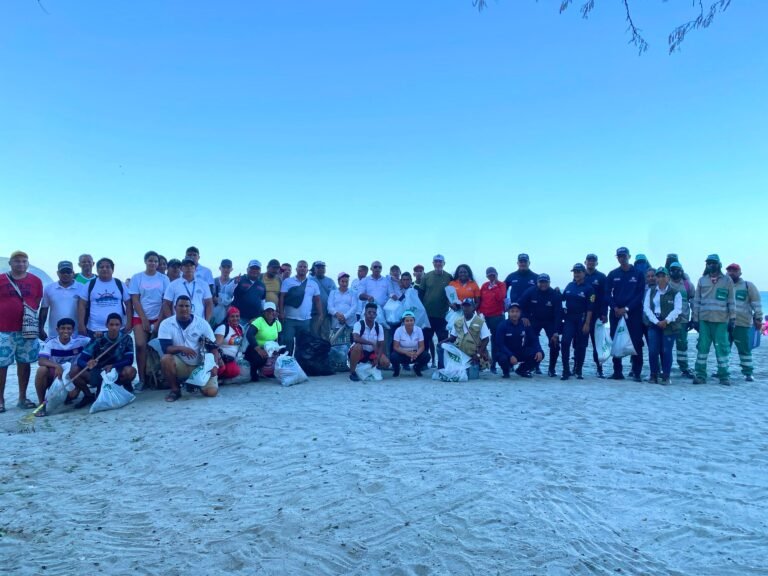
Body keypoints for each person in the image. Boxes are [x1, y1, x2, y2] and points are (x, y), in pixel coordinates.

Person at [0, 251, 44, 412]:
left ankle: (22, 397)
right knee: (1, 365)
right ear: (10, 263)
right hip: (3, 329)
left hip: (27, 330)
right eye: (17, 261)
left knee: (24, 364)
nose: (21, 264)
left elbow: (38, 301)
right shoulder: (1, 279)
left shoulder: (36, 281)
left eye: (24, 261)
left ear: (28, 263)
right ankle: (0, 400)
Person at [158, 295, 221, 402]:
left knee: (211, 393)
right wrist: (182, 348)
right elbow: (166, 349)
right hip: (181, 364)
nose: (184, 309)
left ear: (191, 307)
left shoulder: (202, 323)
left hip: (201, 365)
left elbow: (214, 347)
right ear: (175, 307)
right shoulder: (166, 324)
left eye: (187, 306)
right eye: (181, 306)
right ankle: (175, 390)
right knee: (166, 359)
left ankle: (195, 383)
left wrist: (214, 365)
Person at [73, 313, 136, 408]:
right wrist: (88, 363)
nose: (114, 328)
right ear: (106, 325)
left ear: (121, 326)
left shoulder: (126, 338)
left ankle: (124, 384)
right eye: (111, 325)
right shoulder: (98, 339)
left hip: (116, 370)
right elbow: (81, 359)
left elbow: (129, 360)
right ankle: (88, 395)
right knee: (74, 371)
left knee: (130, 371)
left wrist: (113, 366)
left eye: (117, 325)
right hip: (98, 371)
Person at [128, 251, 170, 390]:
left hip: (159, 316)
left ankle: (161, 378)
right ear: (145, 261)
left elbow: (165, 301)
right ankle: (142, 379)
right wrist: (144, 319)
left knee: (161, 349)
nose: (153, 263)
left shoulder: (164, 279)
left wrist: (158, 322)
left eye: (155, 261)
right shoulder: (137, 277)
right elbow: (135, 299)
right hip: (140, 316)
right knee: (141, 346)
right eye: (150, 260)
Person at [692, 254, 735, 385]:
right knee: (702, 348)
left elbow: (731, 301)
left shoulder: (727, 281)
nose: (711, 265)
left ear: (719, 264)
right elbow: (697, 301)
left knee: (722, 348)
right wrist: (695, 319)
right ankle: (700, 375)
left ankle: (724, 376)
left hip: (721, 321)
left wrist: (732, 319)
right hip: (704, 320)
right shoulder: (702, 280)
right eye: (709, 263)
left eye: (713, 263)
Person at [33, 318, 90, 415]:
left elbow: (97, 342)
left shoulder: (80, 341)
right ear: (57, 330)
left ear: (73, 330)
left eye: (69, 328)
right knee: (41, 370)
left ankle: (85, 394)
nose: (65, 331)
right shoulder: (50, 342)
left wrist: (99, 335)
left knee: (70, 398)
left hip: (72, 376)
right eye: (62, 328)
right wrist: (56, 366)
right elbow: (41, 361)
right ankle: (41, 404)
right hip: (56, 375)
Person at [606, 247, 646, 381]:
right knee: (615, 340)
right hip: (616, 313)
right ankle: (617, 372)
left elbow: (640, 294)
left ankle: (636, 372)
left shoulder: (639, 274)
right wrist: (615, 307)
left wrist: (627, 308)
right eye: (619, 256)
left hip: (633, 313)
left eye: (624, 255)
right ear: (617, 258)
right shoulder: (612, 274)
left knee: (636, 342)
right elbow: (607, 293)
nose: (622, 258)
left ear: (629, 256)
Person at [643, 267, 683, 385]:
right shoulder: (651, 291)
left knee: (666, 350)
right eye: (658, 276)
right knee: (653, 350)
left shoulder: (675, 292)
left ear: (668, 277)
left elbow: (677, 309)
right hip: (654, 323)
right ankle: (653, 375)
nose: (660, 278)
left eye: (663, 276)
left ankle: (666, 376)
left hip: (669, 325)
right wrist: (656, 322)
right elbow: (647, 308)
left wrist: (667, 320)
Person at [519, 273, 562, 377]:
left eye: (545, 282)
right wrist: (524, 316)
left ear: (549, 283)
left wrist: (556, 332)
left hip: (550, 321)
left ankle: (551, 369)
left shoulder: (554, 294)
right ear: (537, 283)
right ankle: (530, 366)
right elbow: (519, 305)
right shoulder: (530, 291)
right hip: (534, 320)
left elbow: (558, 314)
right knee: (528, 343)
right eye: (541, 282)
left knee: (555, 344)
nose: (543, 284)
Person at [725, 263, 762, 382]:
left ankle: (748, 372)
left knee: (744, 349)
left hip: (742, 323)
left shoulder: (748, 286)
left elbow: (756, 303)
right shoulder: (724, 285)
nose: (731, 273)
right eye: (729, 271)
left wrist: (758, 318)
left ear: (740, 272)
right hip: (725, 323)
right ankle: (723, 371)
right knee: (724, 349)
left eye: (734, 271)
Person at [77, 257, 132, 338]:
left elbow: (128, 304)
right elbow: (81, 305)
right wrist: (81, 324)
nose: (104, 269)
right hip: (94, 329)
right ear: (97, 270)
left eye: (108, 267)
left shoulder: (119, 284)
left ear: (112, 270)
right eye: (101, 267)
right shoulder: (90, 284)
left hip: (118, 329)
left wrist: (129, 323)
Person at [279, 260, 322, 354]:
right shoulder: (287, 281)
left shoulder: (313, 284)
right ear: (296, 269)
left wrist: (320, 314)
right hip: (289, 319)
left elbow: (317, 300)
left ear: (307, 270)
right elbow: (282, 297)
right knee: (288, 341)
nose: (302, 268)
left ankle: (299, 364)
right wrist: (281, 312)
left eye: (304, 267)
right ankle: (286, 362)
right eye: (300, 266)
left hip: (305, 320)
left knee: (302, 343)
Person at [560, 264, 594, 381]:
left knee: (581, 346)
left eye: (579, 272)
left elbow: (591, 307)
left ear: (584, 273)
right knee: (565, 342)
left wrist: (587, 323)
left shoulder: (589, 289)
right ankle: (566, 370)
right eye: (575, 272)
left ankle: (578, 370)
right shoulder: (570, 285)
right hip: (569, 319)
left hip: (582, 319)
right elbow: (562, 298)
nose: (576, 274)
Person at [442, 298, 490, 378]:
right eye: (464, 306)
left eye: (468, 306)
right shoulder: (457, 321)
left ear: (473, 307)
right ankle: (442, 368)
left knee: (472, 376)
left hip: (474, 354)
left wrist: (478, 354)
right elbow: (453, 337)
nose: (466, 308)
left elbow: (486, 339)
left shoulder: (480, 321)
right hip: (459, 353)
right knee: (441, 347)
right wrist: (442, 342)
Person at [421, 255, 453, 369]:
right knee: (425, 341)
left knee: (443, 341)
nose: (438, 264)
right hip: (427, 316)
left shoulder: (449, 277)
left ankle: (442, 364)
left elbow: (452, 295)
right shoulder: (426, 277)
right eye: (436, 262)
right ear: (433, 263)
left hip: (443, 316)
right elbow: (421, 294)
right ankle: (423, 364)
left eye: (440, 262)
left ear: (444, 263)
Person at [495, 302, 543, 378]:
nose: (515, 314)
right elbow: (500, 344)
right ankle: (506, 372)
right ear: (508, 312)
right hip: (505, 352)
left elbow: (534, 338)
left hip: (519, 351)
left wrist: (539, 350)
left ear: (520, 313)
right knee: (501, 358)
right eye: (512, 311)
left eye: (517, 311)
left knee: (540, 354)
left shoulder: (524, 324)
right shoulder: (502, 325)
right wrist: (510, 355)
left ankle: (522, 370)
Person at [39, 260, 82, 339]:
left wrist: (83, 328)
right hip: (54, 333)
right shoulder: (49, 288)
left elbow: (85, 309)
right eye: (63, 272)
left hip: (76, 334)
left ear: (73, 273)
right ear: (58, 273)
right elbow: (44, 309)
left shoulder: (82, 288)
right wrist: (40, 328)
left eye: (68, 272)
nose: (65, 274)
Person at [348, 302, 391, 380]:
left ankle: (374, 366)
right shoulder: (359, 324)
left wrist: (377, 358)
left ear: (376, 315)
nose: (371, 314)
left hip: (372, 352)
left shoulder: (379, 327)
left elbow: (381, 345)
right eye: (369, 312)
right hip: (359, 351)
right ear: (365, 314)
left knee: (386, 363)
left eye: (374, 313)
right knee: (357, 346)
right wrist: (371, 343)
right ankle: (352, 372)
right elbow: (355, 338)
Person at [162, 258, 213, 322]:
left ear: (195, 268)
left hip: (199, 322)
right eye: (186, 266)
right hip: (179, 323)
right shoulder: (173, 285)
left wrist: (206, 322)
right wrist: (172, 321)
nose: (189, 268)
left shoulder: (203, 284)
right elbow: (166, 304)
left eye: (191, 266)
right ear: (181, 268)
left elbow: (209, 303)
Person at [668, 261, 696, 378]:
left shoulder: (687, 285)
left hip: (682, 321)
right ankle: (665, 368)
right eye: (673, 270)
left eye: (678, 270)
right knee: (666, 346)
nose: (676, 272)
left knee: (682, 346)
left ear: (681, 271)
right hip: (667, 321)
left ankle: (684, 368)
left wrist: (694, 319)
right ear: (670, 271)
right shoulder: (666, 283)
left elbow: (694, 303)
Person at [244, 302, 283, 381]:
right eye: (268, 311)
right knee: (260, 358)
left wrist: (277, 350)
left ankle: (269, 372)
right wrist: (259, 350)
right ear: (264, 312)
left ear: (275, 312)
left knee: (284, 352)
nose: (270, 313)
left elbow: (280, 338)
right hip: (256, 348)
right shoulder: (259, 321)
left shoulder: (277, 323)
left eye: (272, 311)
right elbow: (249, 335)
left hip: (271, 347)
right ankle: (254, 371)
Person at [478, 268, 506, 374]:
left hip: (497, 317)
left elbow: (500, 297)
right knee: (481, 340)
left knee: (495, 341)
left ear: (497, 275)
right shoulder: (484, 285)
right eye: (489, 275)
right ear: (487, 276)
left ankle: (493, 365)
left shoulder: (501, 285)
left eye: (493, 275)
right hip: (485, 317)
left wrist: (494, 286)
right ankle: (482, 362)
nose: (491, 277)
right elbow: (480, 300)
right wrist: (478, 312)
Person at [584, 254, 608, 378]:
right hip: (583, 315)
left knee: (597, 344)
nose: (591, 263)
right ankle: (576, 367)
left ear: (596, 263)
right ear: (585, 262)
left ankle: (599, 368)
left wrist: (605, 313)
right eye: (589, 261)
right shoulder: (581, 275)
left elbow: (605, 296)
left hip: (597, 315)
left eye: (593, 261)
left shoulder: (602, 277)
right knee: (580, 343)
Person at [391, 311, 429, 377]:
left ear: (414, 321)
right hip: (403, 353)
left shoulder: (419, 330)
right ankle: (397, 369)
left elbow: (422, 346)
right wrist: (406, 353)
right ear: (403, 322)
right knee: (393, 356)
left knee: (427, 356)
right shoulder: (398, 330)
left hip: (415, 354)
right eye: (407, 321)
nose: (409, 322)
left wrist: (416, 354)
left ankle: (417, 368)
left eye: (411, 320)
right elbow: (395, 347)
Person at [232, 260, 267, 325]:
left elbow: (262, 301)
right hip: (238, 318)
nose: (255, 270)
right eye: (252, 268)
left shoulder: (262, 284)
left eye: (257, 269)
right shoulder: (239, 279)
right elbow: (228, 293)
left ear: (260, 271)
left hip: (255, 319)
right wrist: (234, 283)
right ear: (247, 269)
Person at [214, 307, 244, 380]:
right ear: (228, 317)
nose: (235, 318)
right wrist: (219, 360)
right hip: (220, 358)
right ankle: (213, 378)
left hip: (231, 359)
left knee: (235, 371)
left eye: (237, 316)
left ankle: (221, 378)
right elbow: (215, 347)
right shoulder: (223, 328)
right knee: (222, 368)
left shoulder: (240, 328)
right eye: (232, 316)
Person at [309, 261, 336, 340]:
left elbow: (335, 296)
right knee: (314, 336)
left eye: (322, 268)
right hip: (314, 315)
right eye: (318, 268)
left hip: (327, 315)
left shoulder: (330, 281)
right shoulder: (309, 280)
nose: (320, 269)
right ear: (314, 269)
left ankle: (324, 352)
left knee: (325, 337)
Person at [327, 272, 357, 340]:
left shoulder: (353, 293)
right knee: (337, 346)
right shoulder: (333, 293)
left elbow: (354, 307)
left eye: (346, 281)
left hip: (349, 324)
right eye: (342, 281)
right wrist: (337, 315)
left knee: (349, 345)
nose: (344, 283)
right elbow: (329, 307)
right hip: (336, 323)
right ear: (338, 282)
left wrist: (344, 317)